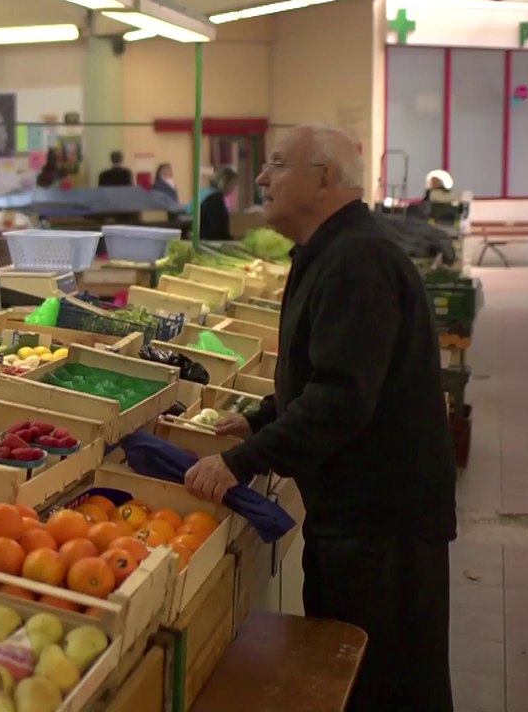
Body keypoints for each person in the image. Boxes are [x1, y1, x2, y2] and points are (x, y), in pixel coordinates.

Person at [183, 125, 456, 712]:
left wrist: (241, 463)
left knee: (384, 682)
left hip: (380, 522)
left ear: (326, 179)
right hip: (359, 512)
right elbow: (332, 372)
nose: (261, 178)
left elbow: (342, 398)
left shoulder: (356, 262)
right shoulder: (334, 250)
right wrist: (261, 420)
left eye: (277, 165)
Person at [199, 166, 238, 240]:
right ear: (225, 182)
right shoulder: (215, 200)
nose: (233, 188)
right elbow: (217, 229)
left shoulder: (211, 196)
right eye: (233, 184)